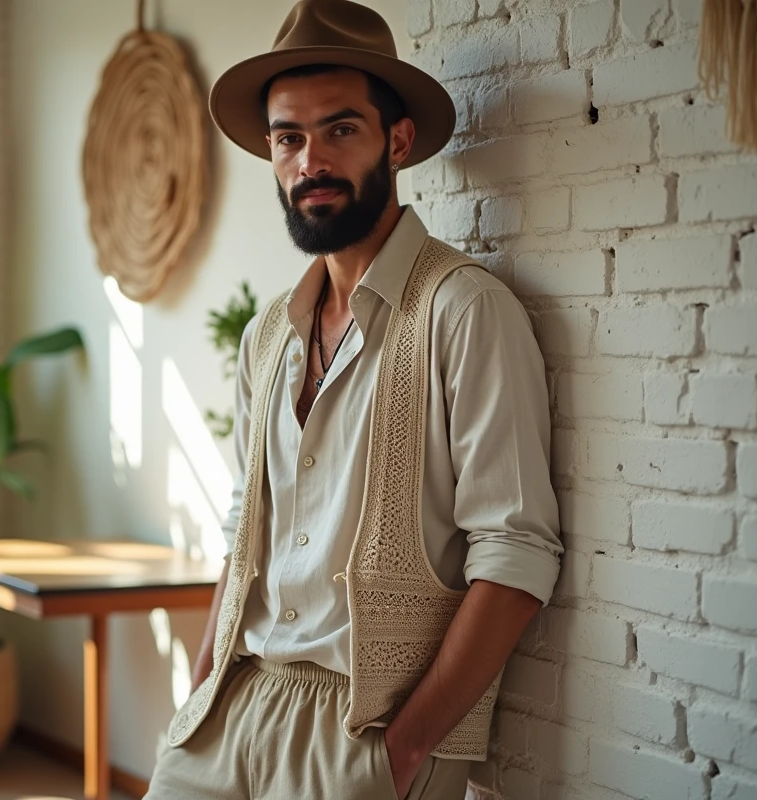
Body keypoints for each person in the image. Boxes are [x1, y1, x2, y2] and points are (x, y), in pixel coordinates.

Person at [144, 1, 563, 798]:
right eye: (288, 138)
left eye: (341, 130)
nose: (312, 162)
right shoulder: (268, 334)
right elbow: (245, 531)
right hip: (232, 707)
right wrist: (201, 687)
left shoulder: (463, 311)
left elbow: (514, 560)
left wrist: (401, 753)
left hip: (363, 731)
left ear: (396, 141)